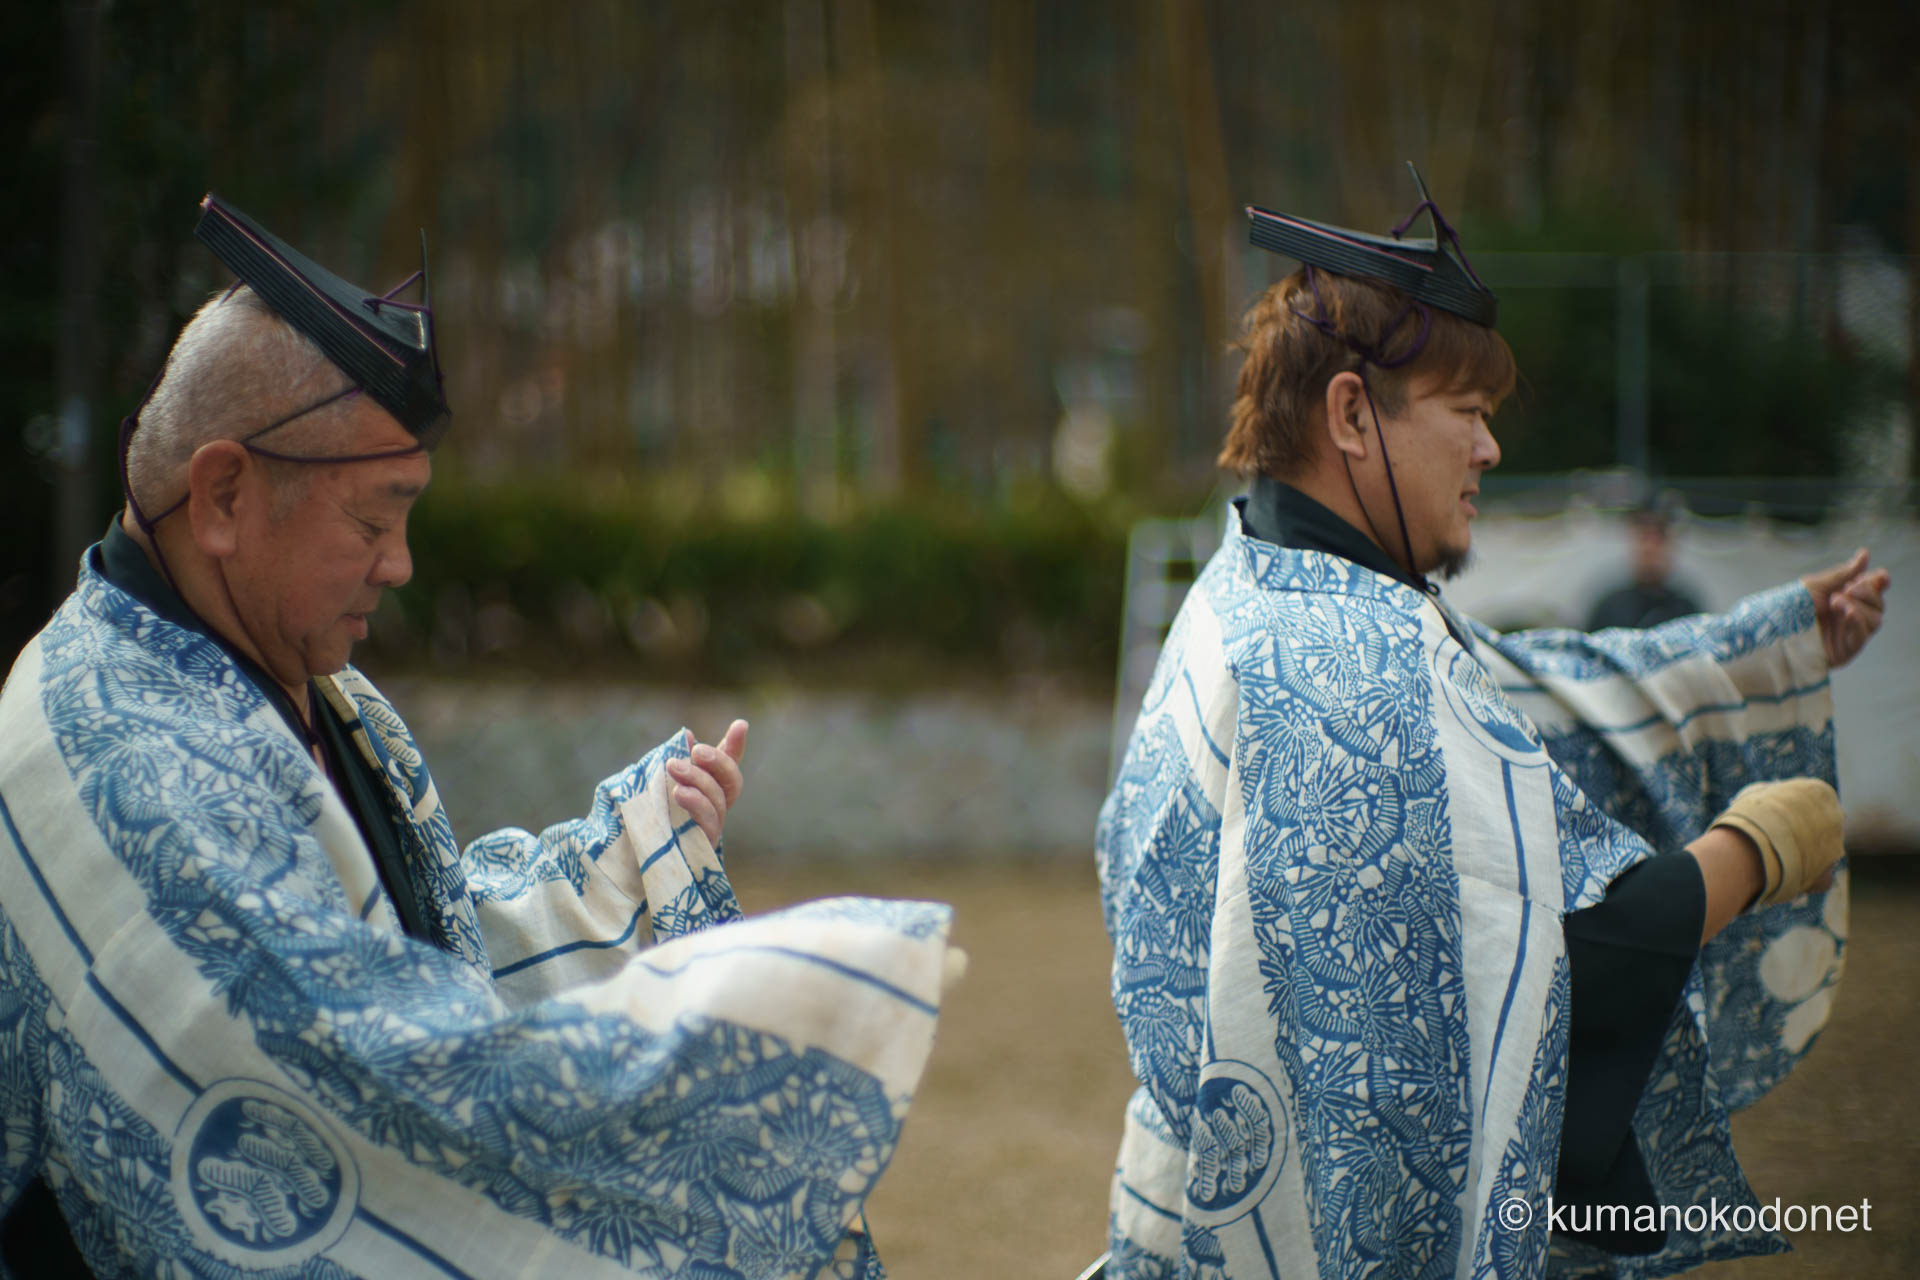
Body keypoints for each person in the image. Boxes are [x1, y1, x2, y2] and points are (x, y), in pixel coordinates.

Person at [0, 195, 957, 1278]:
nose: (399, 563)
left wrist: (620, 861)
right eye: (372, 518)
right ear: (223, 492)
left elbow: (405, 946)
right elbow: (351, 1089)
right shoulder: (127, 761)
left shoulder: (307, 692)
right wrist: (739, 1032)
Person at [1095, 175, 1889, 1280]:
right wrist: (1754, 848)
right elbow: (1558, 975)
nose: (1490, 452)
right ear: (1351, 414)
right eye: (1467, 416)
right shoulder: (1354, 667)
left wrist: (1771, 637)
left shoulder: (1256, 585)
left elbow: (1535, 687)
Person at [1585, 503, 1704, 630]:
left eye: (1658, 538)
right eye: (1644, 537)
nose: (1650, 548)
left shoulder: (1686, 610)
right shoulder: (1609, 607)